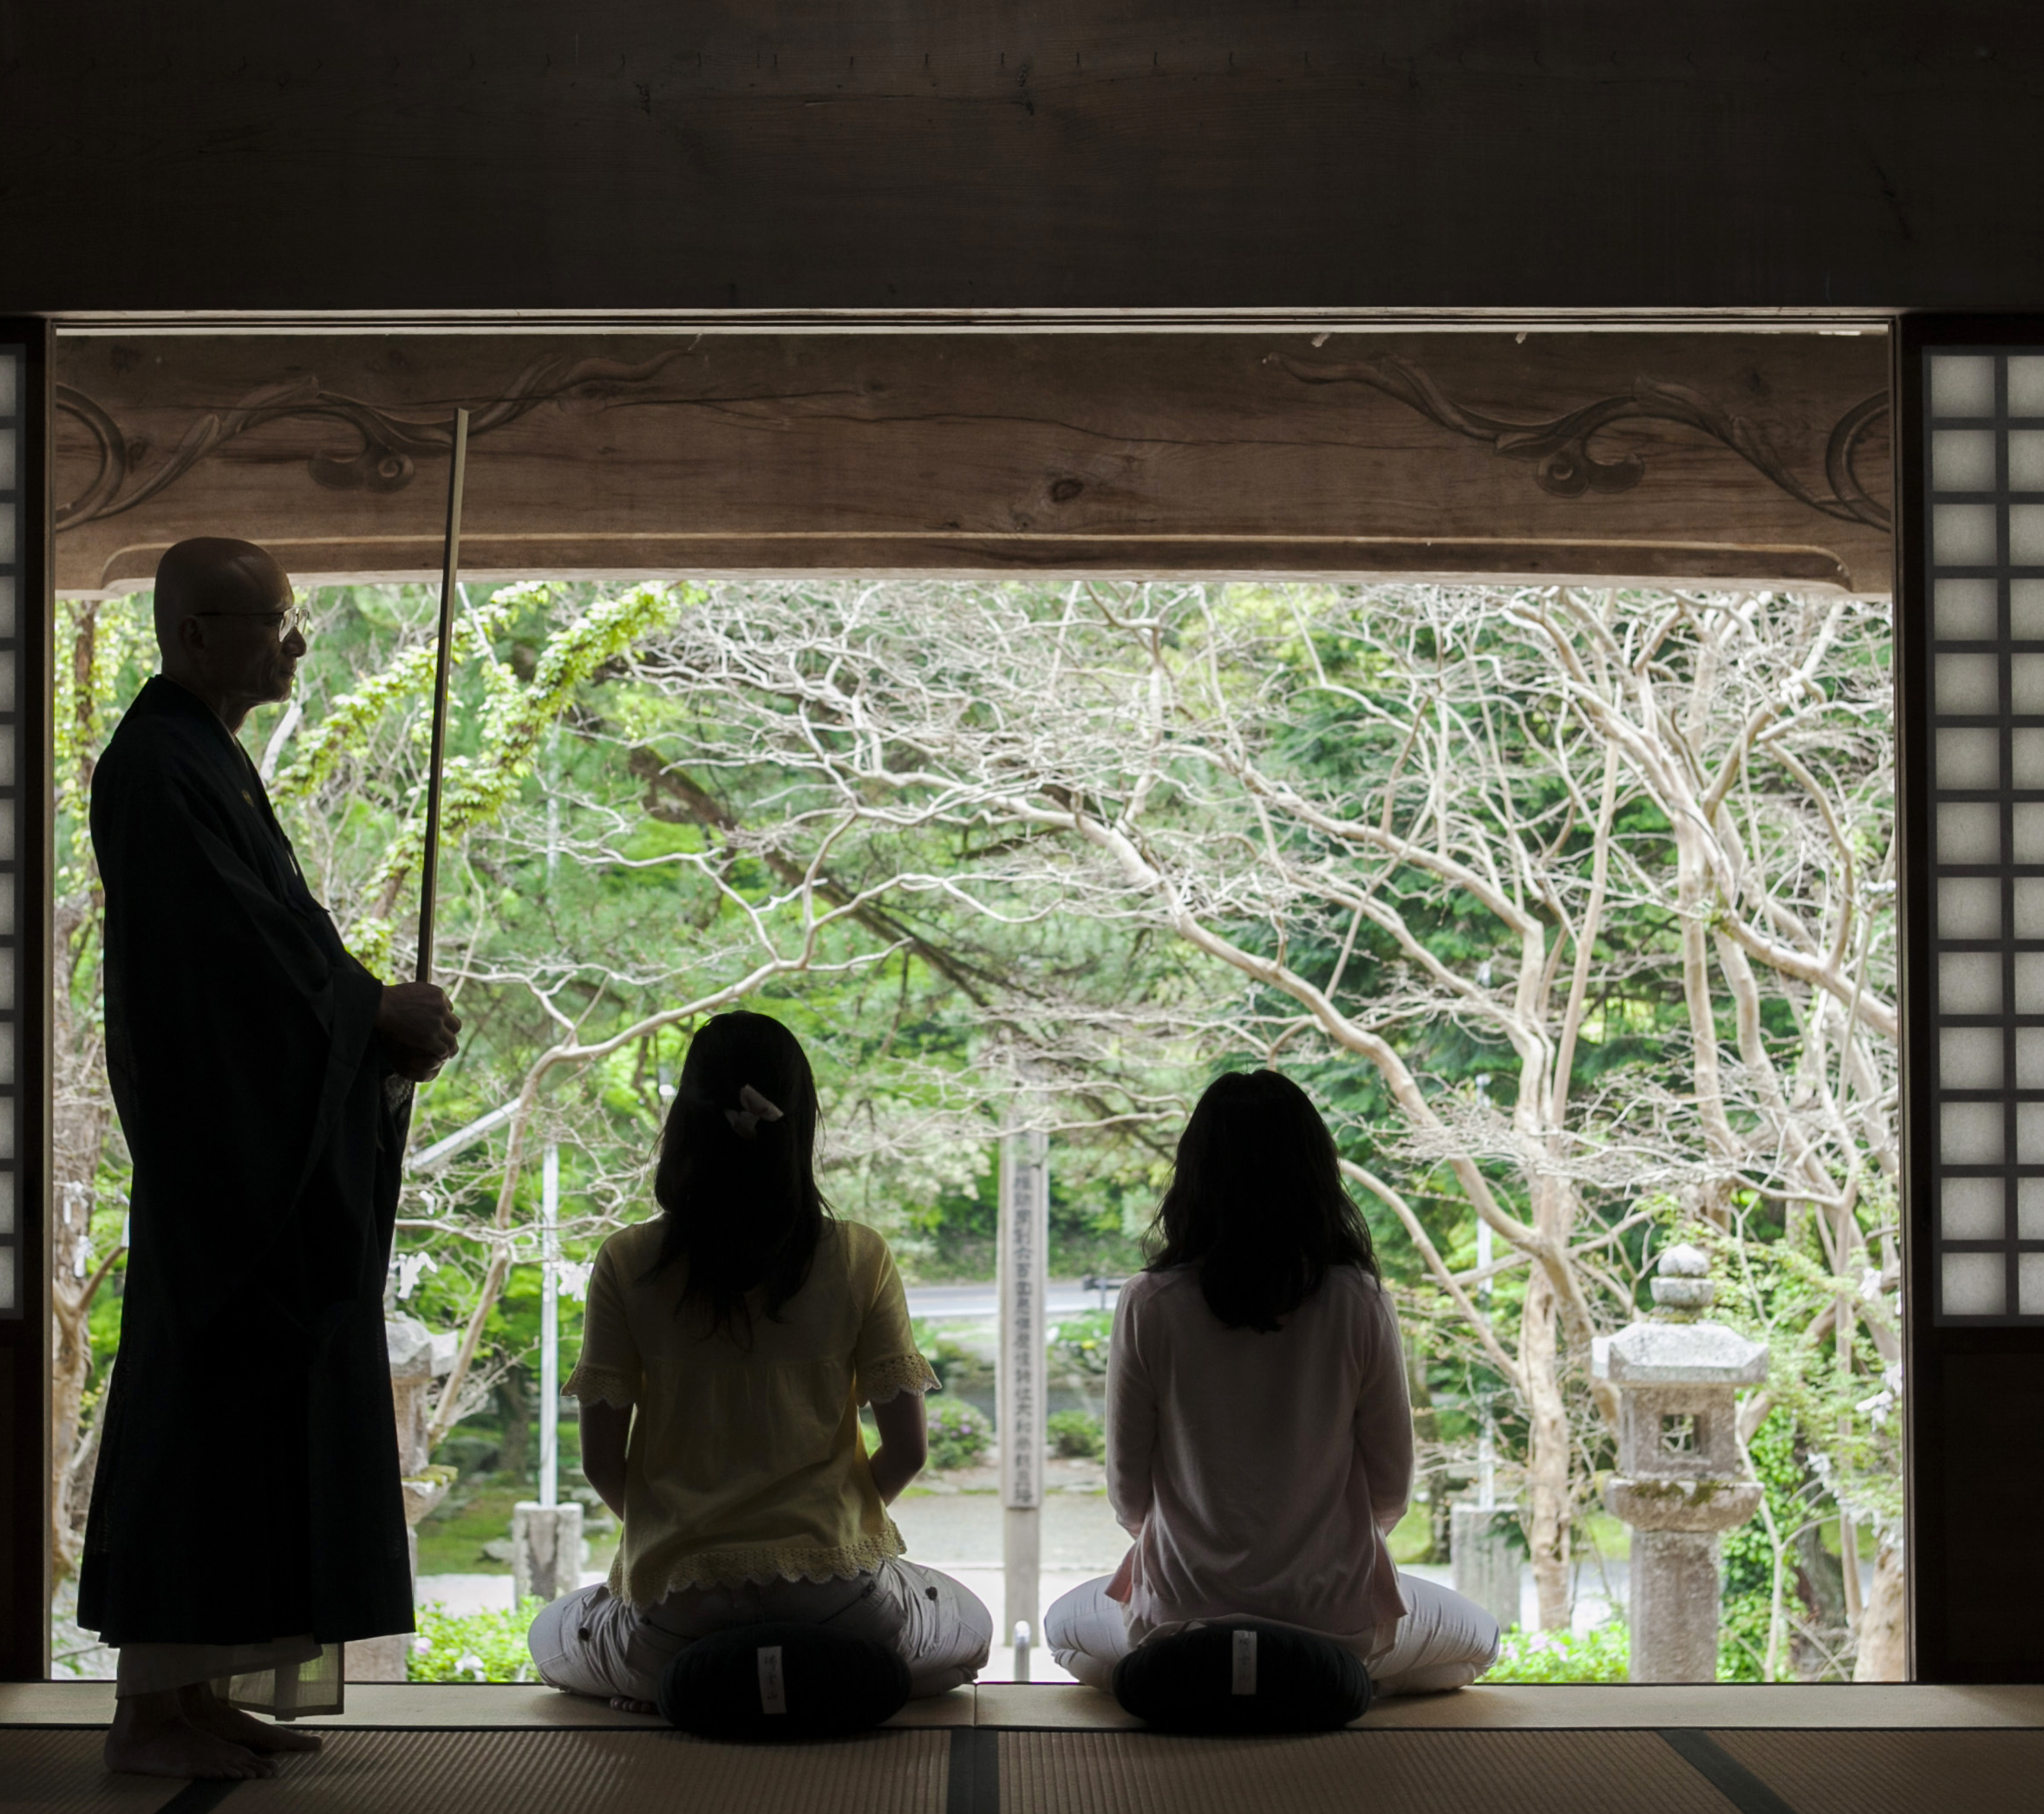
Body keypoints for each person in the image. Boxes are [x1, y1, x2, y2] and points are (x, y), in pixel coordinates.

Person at [77, 537, 464, 1779]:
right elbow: (231, 971)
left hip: (246, 1167)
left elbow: (274, 950)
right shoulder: (156, 767)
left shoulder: (206, 762)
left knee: (243, 1432)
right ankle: (149, 1713)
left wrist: (363, 1016)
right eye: (275, 621)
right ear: (197, 634)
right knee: (204, 1424)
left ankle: (194, 1696)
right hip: (219, 1170)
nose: (297, 643)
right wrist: (367, 1016)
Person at [531, 1011, 992, 1709]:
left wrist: (683, 1541)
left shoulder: (627, 1262)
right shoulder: (859, 1255)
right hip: (837, 1606)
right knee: (965, 1624)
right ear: (801, 1119)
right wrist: (831, 1545)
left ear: (685, 1118)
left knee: (554, 1634)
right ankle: (819, 1679)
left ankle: (694, 1688)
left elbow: (602, 1463)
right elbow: (908, 1450)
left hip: (675, 1617)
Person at [1045, 1070, 1497, 1700]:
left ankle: (1172, 1683)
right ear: (1315, 1174)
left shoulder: (1149, 1302)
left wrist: (1204, 1560)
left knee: (1063, 1628)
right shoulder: (1358, 1301)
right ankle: (1342, 1684)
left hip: (1179, 1622)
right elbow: (1391, 1489)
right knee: (1480, 1645)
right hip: (1333, 1623)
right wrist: (1311, 1558)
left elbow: (1128, 1495)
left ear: (1194, 1175)